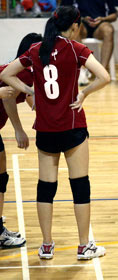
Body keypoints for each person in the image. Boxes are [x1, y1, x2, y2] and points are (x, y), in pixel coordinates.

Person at [0, 6, 110, 260]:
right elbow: (104, 76)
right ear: (75, 26)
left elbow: (6, 74)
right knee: (80, 186)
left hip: (46, 129)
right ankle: (84, 246)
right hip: (72, 126)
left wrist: (30, 92)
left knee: (45, 188)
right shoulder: (76, 49)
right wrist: (84, 93)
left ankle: (47, 245)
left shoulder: (36, 50)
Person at [0, 33, 42, 249]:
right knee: (0, 177)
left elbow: (30, 98)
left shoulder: (26, 73)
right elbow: (8, 97)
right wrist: (18, 130)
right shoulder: (20, 72)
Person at [61, 0, 117, 85]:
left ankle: (102, 72)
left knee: (109, 30)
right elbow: (64, 12)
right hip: (82, 24)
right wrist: (83, 19)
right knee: (75, 26)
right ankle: (82, 71)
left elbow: (114, 15)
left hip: (100, 24)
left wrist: (103, 19)